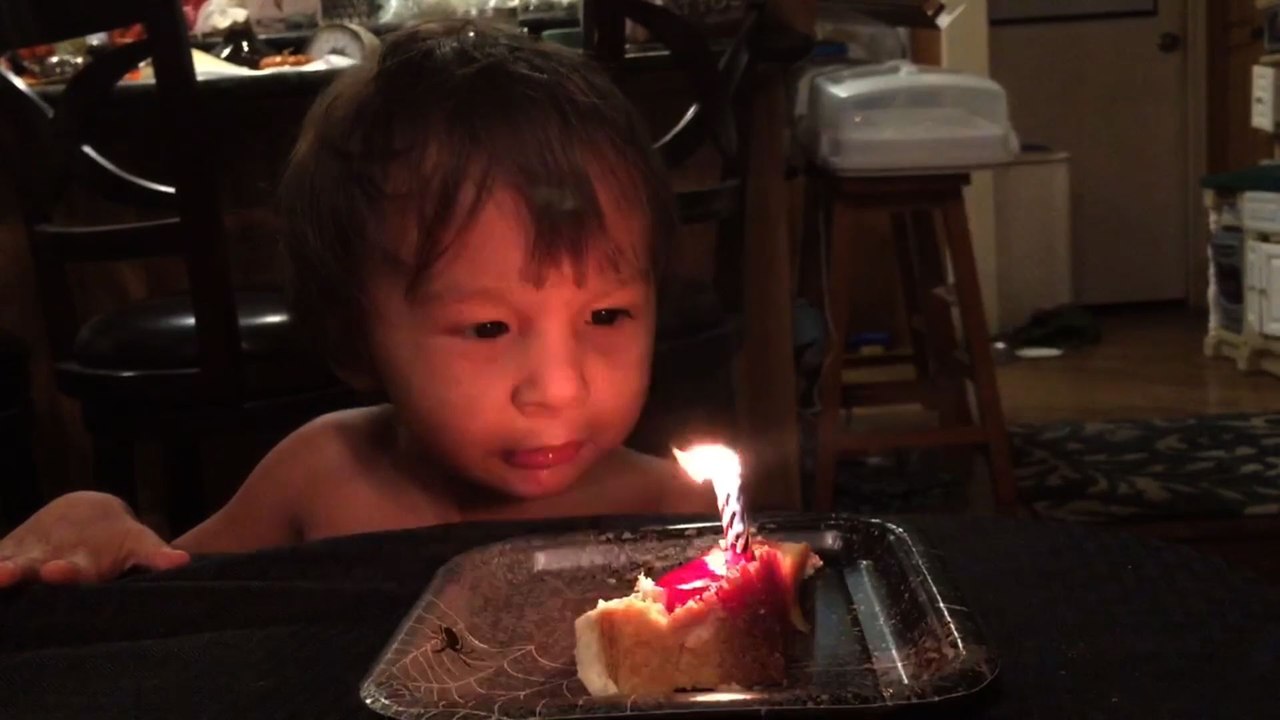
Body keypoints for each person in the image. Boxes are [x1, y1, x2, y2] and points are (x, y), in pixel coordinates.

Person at [0, 20, 716, 587]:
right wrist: (99, 523)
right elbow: (186, 607)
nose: (561, 387)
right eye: (489, 326)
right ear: (353, 337)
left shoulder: (674, 514)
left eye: (606, 315)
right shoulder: (318, 478)